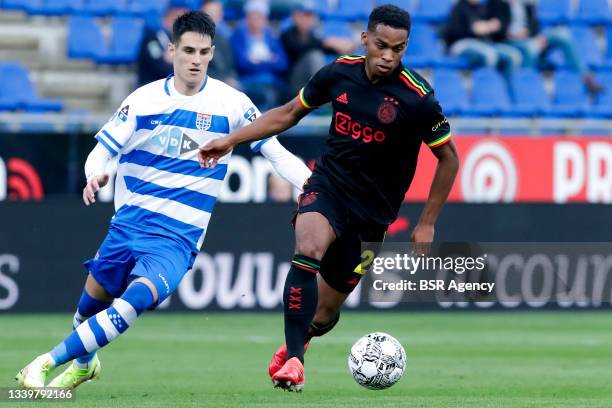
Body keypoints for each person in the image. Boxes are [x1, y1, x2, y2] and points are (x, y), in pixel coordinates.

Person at [15, 10, 311, 390]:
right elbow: (101, 151)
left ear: (212, 52)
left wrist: (310, 184)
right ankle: (85, 365)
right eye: (188, 50)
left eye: (204, 52)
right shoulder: (143, 100)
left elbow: (276, 151)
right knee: (88, 309)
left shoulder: (232, 104)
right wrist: (96, 174)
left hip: (178, 236)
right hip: (130, 223)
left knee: (133, 301)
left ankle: (43, 363)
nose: (196, 60)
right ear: (172, 49)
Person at [199, 5, 459, 392]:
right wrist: (232, 140)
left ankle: (300, 339)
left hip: (373, 212)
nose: (389, 56)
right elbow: (289, 112)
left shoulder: (418, 98)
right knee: (309, 246)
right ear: (366, 40)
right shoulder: (339, 72)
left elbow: (448, 158)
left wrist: (427, 222)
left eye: (399, 49)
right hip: (329, 186)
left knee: (324, 313)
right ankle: (294, 361)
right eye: (383, 46)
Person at [491, 0, 603, 93]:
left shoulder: (527, 3)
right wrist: (513, 36)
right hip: (509, 41)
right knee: (530, 47)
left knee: (562, 34)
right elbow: (496, 30)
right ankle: (527, 85)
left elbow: (533, 25)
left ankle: (585, 76)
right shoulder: (497, 3)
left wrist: (537, 37)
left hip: (528, 38)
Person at [281, 1, 356, 98]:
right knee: (315, 56)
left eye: (310, 16)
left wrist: (342, 46)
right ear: (295, 16)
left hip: (307, 84)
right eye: (304, 15)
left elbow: (325, 47)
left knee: (340, 58)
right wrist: (328, 42)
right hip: (292, 85)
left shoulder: (311, 36)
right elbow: (299, 48)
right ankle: (323, 98)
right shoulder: (287, 35)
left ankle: (343, 97)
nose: (308, 19)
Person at [230, 0, 288, 110]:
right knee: (267, 96)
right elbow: (242, 64)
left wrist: (258, 61)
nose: (256, 21)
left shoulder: (271, 37)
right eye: (253, 16)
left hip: (272, 82)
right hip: (248, 82)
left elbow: (282, 64)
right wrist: (269, 60)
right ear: (247, 18)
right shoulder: (239, 36)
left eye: (260, 17)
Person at [443, 0, 522, 73]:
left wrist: (492, 27)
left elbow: (494, 29)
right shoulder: (458, 7)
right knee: (489, 55)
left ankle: (507, 86)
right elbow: (450, 33)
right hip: (462, 44)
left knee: (514, 56)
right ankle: (486, 85)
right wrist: (472, 30)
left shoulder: (483, 8)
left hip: (483, 43)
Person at [136, 1, 188, 87]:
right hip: (150, 88)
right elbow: (160, 67)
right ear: (167, 18)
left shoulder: (177, 40)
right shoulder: (152, 38)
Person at [201, 0, 240, 88]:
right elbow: (200, 70)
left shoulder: (224, 38)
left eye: (217, 13)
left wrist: (232, 79)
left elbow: (231, 67)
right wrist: (224, 80)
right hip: (209, 83)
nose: (214, 17)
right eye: (210, 13)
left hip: (229, 81)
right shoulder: (196, 38)